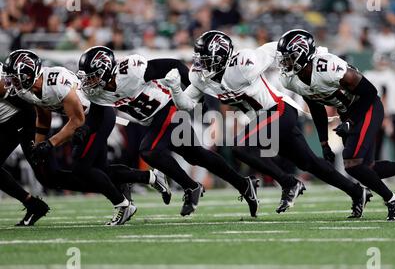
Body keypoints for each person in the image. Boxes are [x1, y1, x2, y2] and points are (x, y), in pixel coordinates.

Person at [165, 30, 371, 218]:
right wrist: (176, 89)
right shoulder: (201, 78)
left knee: (241, 147)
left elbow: (276, 49)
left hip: (279, 109)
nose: (201, 65)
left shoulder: (244, 64)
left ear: (222, 57)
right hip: (263, 119)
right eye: (200, 60)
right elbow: (187, 104)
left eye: (207, 60)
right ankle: (356, 191)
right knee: (309, 163)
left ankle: (289, 183)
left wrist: (314, 53)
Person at [76, 46, 259, 217]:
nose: (89, 82)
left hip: (168, 108)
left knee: (149, 150)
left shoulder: (129, 70)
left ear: (106, 69)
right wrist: (83, 131)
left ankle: (190, 186)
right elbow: (95, 118)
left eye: (93, 76)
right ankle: (244, 184)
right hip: (153, 121)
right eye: (87, 78)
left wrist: (196, 96)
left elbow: (175, 65)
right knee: (197, 156)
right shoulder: (96, 93)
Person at [274, 29, 395, 221]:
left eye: (290, 57)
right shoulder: (291, 79)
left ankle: (393, 200)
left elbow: (369, 92)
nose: (286, 63)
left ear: (303, 53)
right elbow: (315, 106)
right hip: (348, 113)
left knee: (352, 163)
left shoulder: (327, 66)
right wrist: (324, 143)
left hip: (367, 107)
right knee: (368, 168)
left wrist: (350, 122)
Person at [2, 50, 171, 226]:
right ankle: (150, 177)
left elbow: (77, 120)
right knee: (100, 171)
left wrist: (50, 144)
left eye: (15, 78)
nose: (11, 83)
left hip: (97, 116)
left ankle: (122, 204)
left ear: (29, 74)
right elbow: (43, 113)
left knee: (81, 167)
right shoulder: (25, 91)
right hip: (83, 121)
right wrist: (38, 145)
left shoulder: (56, 82)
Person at [0, 63, 49, 226]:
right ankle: (32, 204)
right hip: (8, 122)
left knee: (48, 175)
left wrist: (33, 135)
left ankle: (115, 178)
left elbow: (28, 106)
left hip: (17, 119)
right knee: (48, 175)